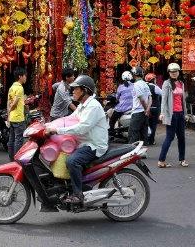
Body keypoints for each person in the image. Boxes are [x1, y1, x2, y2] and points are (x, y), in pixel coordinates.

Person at [45, 75, 108, 205]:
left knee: (72, 161)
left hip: (93, 145)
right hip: (83, 143)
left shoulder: (93, 106)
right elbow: (68, 119)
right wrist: (47, 125)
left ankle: (78, 194)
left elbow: (81, 128)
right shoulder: (82, 105)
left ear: (84, 90)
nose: (72, 91)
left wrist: (57, 130)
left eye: (75, 89)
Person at [158, 63, 189, 168]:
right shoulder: (166, 84)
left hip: (180, 113)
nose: (174, 73)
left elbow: (182, 100)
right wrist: (162, 113)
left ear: (178, 72)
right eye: (172, 72)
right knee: (170, 137)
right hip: (171, 114)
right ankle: (161, 160)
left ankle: (182, 159)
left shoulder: (181, 83)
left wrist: (185, 113)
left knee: (182, 137)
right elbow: (164, 100)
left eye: (176, 71)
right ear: (169, 73)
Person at [7, 67, 27, 160]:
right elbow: (14, 103)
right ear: (20, 76)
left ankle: (11, 158)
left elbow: (9, 102)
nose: (25, 77)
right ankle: (16, 160)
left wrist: (8, 114)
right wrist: (11, 109)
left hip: (12, 117)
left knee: (12, 139)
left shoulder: (12, 87)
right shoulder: (19, 88)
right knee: (18, 140)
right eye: (24, 76)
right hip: (18, 117)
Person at [128, 66, 151, 144]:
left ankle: (132, 154)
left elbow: (141, 99)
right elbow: (150, 97)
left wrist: (145, 109)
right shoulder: (145, 84)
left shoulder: (136, 85)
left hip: (137, 113)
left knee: (133, 135)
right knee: (144, 134)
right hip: (145, 113)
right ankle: (143, 154)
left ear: (134, 75)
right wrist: (148, 109)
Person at [110, 71, 134, 136]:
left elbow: (117, 98)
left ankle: (112, 133)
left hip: (122, 109)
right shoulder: (134, 85)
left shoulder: (121, 87)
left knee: (112, 120)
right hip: (132, 108)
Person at [145, 73, 162, 145]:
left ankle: (145, 139)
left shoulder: (144, 86)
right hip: (155, 108)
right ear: (153, 80)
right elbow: (162, 94)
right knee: (153, 124)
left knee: (146, 124)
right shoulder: (155, 87)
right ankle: (151, 140)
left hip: (145, 108)